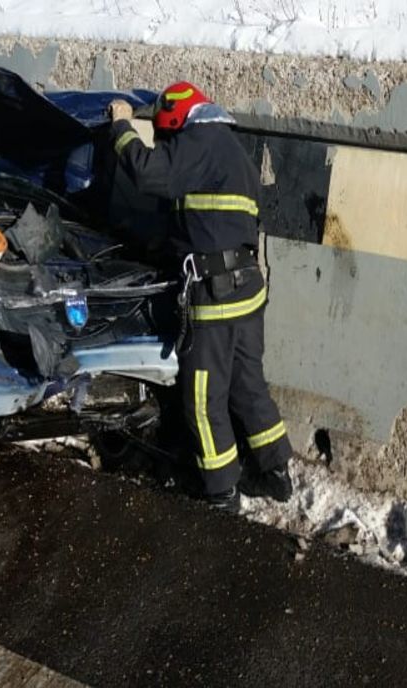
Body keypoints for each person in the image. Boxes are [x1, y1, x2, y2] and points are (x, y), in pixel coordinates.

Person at [106, 83, 293, 512]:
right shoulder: (231, 151)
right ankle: (276, 471)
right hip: (246, 289)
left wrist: (121, 127)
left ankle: (220, 490)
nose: (166, 140)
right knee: (248, 385)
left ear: (175, 118)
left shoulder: (198, 140)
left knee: (203, 396)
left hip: (215, 296)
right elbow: (206, 220)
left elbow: (149, 172)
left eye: (164, 130)